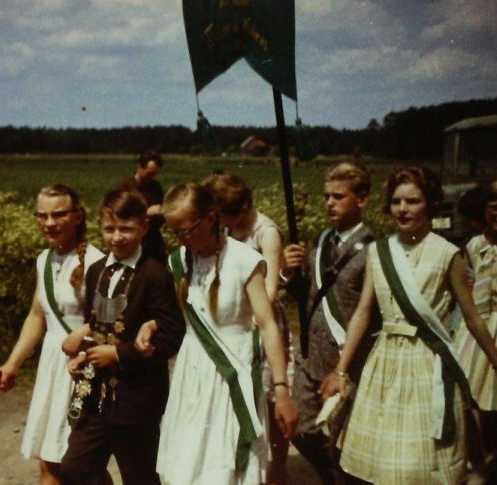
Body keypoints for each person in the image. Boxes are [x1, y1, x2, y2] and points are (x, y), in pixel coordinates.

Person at [321, 166, 497, 484]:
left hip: (428, 366)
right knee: (380, 463)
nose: (403, 209)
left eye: (412, 201)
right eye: (397, 201)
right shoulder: (379, 252)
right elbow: (363, 312)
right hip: (384, 365)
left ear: (431, 205)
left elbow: (472, 317)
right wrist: (341, 371)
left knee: (418, 465)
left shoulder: (448, 254)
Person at [137, 182, 298, 485]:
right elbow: (182, 314)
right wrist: (152, 324)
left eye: (187, 230)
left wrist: (281, 389)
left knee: (226, 470)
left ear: (211, 218)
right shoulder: (179, 262)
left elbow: (267, 324)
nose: (181, 240)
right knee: (189, 467)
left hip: (233, 374)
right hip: (192, 375)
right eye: (175, 233)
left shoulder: (245, 261)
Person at [59, 188, 184, 485]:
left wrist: (119, 354)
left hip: (138, 400)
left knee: (139, 476)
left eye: (126, 229)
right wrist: (83, 354)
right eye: (110, 229)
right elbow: (98, 324)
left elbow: (171, 335)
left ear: (144, 228)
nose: (117, 237)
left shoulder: (155, 275)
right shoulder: (96, 271)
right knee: (74, 470)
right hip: (95, 395)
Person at [0, 184, 104, 485]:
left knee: (77, 466)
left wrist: (81, 337)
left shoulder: (95, 261)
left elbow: (110, 321)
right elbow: (38, 315)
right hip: (52, 366)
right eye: (42, 215)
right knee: (54, 462)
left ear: (78, 216)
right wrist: (12, 364)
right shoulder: (44, 259)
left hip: (84, 367)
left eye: (59, 214)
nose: (49, 223)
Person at [281, 162, 379, 485]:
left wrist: (346, 367)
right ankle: (331, 474)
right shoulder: (323, 239)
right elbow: (308, 292)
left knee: (342, 435)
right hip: (311, 355)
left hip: (345, 359)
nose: (329, 203)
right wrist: (289, 271)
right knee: (299, 426)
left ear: (361, 199)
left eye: (338, 196)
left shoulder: (373, 249)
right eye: (326, 196)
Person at [202, 171, 293, 485]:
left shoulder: (265, 232)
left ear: (242, 209)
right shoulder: (227, 230)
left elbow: (270, 284)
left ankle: (278, 467)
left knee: (268, 393)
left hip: (259, 318)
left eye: (226, 215)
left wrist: (252, 311)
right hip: (233, 320)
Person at [453, 178, 497, 484]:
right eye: (495, 207)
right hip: (477, 331)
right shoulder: (474, 246)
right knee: (470, 406)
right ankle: (479, 468)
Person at [118, 149, 167, 264]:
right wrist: (146, 213)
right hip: (134, 240)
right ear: (140, 167)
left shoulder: (156, 187)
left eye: (155, 174)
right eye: (149, 174)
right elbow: (119, 214)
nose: (152, 177)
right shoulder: (125, 187)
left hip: (153, 240)